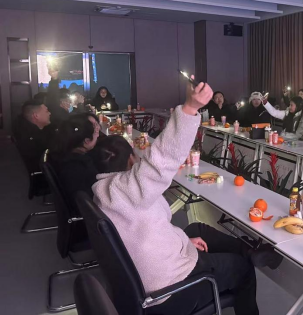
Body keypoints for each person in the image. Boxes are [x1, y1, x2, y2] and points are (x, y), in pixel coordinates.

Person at [92, 78, 280, 315]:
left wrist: (183, 243)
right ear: (131, 160)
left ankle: (251, 252)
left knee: (197, 229)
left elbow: (147, 233)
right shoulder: (130, 190)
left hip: (153, 267)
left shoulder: (104, 189)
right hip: (170, 290)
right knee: (242, 270)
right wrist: (190, 109)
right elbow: (163, 157)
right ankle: (247, 262)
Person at [50, 114, 100, 216]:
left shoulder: (62, 152)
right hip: (89, 213)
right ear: (86, 141)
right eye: (95, 135)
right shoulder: (78, 166)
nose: (98, 136)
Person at [13, 101, 53, 173]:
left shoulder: (34, 132)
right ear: (36, 116)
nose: (50, 113)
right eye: (46, 111)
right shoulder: (34, 140)